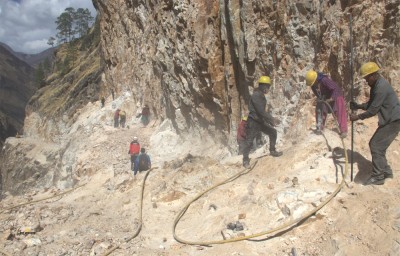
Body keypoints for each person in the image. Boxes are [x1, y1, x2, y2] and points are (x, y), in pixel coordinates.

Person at [350, 62, 400, 185]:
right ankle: (386, 171)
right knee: (378, 145)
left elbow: (373, 110)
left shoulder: (381, 87)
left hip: (393, 120)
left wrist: (357, 117)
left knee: (376, 145)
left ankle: (378, 176)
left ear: (373, 75)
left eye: (367, 78)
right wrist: (359, 106)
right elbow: (371, 104)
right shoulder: (376, 86)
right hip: (390, 119)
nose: (366, 81)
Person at [242, 76, 282, 168]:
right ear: (264, 86)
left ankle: (272, 150)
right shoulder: (256, 95)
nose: (268, 89)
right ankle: (245, 160)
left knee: (273, 132)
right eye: (268, 87)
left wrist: (269, 121)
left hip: (260, 121)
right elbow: (261, 111)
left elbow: (262, 113)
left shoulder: (261, 95)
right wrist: (272, 119)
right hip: (253, 122)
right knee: (249, 141)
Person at [305, 70, 348, 138]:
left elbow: (335, 88)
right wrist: (321, 100)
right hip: (326, 98)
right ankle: (320, 127)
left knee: (340, 111)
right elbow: (317, 94)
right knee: (320, 108)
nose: (313, 85)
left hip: (336, 95)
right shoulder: (313, 85)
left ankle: (343, 131)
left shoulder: (324, 80)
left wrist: (331, 99)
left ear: (316, 79)